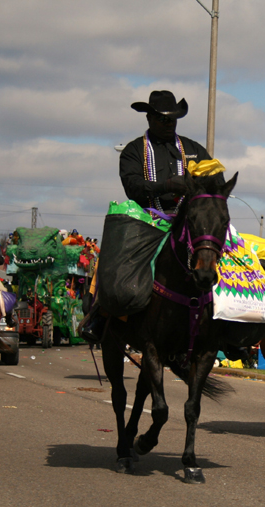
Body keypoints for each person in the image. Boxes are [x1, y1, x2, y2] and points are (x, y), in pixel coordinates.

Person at [80, 90, 213, 343]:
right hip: (146, 220)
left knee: (222, 249)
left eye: (172, 119)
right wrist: (167, 185)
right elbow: (133, 187)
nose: (169, 124)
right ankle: (100, 314)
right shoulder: (134, 151)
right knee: (115, 256)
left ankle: (231, 325)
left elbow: (215, 179)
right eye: (163, 119)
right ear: (149, 118)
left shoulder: (194, 149)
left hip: (188, 222)